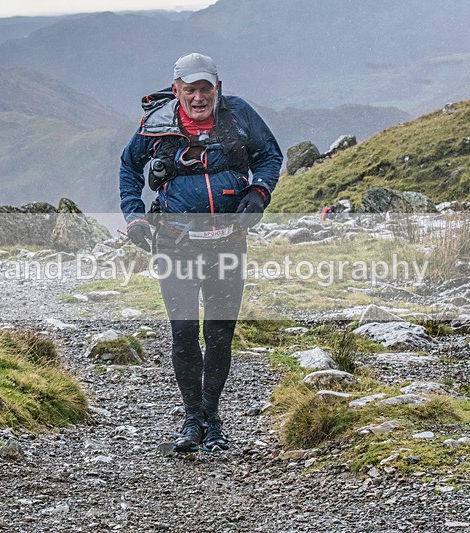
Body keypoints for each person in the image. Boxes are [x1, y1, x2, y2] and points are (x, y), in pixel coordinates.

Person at [119, 52, 282, 452]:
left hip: (228, 241)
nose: (197, 97)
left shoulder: (239, 115)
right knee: (184, 333)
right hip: (175, 242)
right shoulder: (156, 124)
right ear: (176, 90)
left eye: (204, 89)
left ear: (217, 88)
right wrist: (135, 216)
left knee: (220, 332)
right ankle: (192, 420)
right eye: (189, 90)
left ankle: (212, 417)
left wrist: (259, 193)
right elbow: (128, 168)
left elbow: (269, 156)